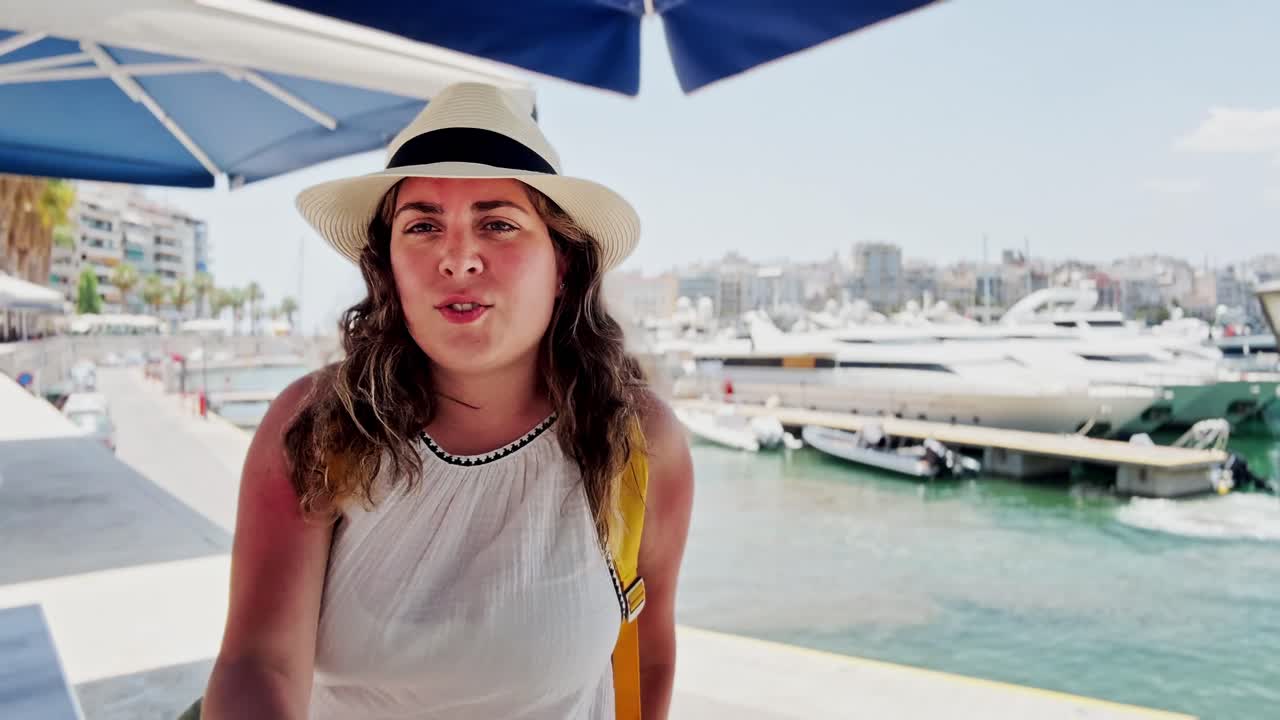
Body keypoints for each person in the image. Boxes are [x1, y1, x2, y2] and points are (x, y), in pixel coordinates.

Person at [201, 82, 694, 720]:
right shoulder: (318, 423)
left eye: (498, 224)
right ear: (388, 264)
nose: (458, 258)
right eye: (423, 226)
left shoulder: (638, 439)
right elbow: (258, 660)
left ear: (563, 262)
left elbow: (648, 650)